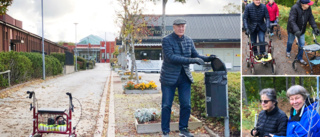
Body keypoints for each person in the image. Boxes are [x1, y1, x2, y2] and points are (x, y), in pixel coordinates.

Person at [160, 18, 216, 137]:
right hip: (169, 78)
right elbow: (171, 57)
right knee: (166, 105)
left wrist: (208, 58)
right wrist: (193, 60)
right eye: (178, 26)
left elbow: (195, 55)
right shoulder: (166, 40)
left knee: (186, 104)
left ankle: (183, 129)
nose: (181, 28)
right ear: (174, 27)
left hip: (184, 77)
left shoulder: (189, 40)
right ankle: (165, 131)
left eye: (183, 26)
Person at [286, 0, 320, 65]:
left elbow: (311, 18)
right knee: (290, 42)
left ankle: (300, 58)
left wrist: (315, 27)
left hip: (302, 30)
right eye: (308, 4)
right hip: (292, 30)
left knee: (302, 45)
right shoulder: (294, 8)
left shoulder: (308, 8)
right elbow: (292, 20)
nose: (309, 5)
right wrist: (296, 30)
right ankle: (288, 51)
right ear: (303, 4)